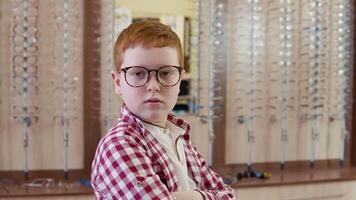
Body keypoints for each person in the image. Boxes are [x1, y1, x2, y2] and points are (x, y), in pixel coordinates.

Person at [91, 20, 235, 200]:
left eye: (166, 73)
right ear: (118, 83)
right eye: (138, 73)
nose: (153, 86)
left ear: (180, 80)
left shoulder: (178, 136)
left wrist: (178, 197)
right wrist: (202, 195)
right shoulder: (118, 144)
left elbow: (228, 195)